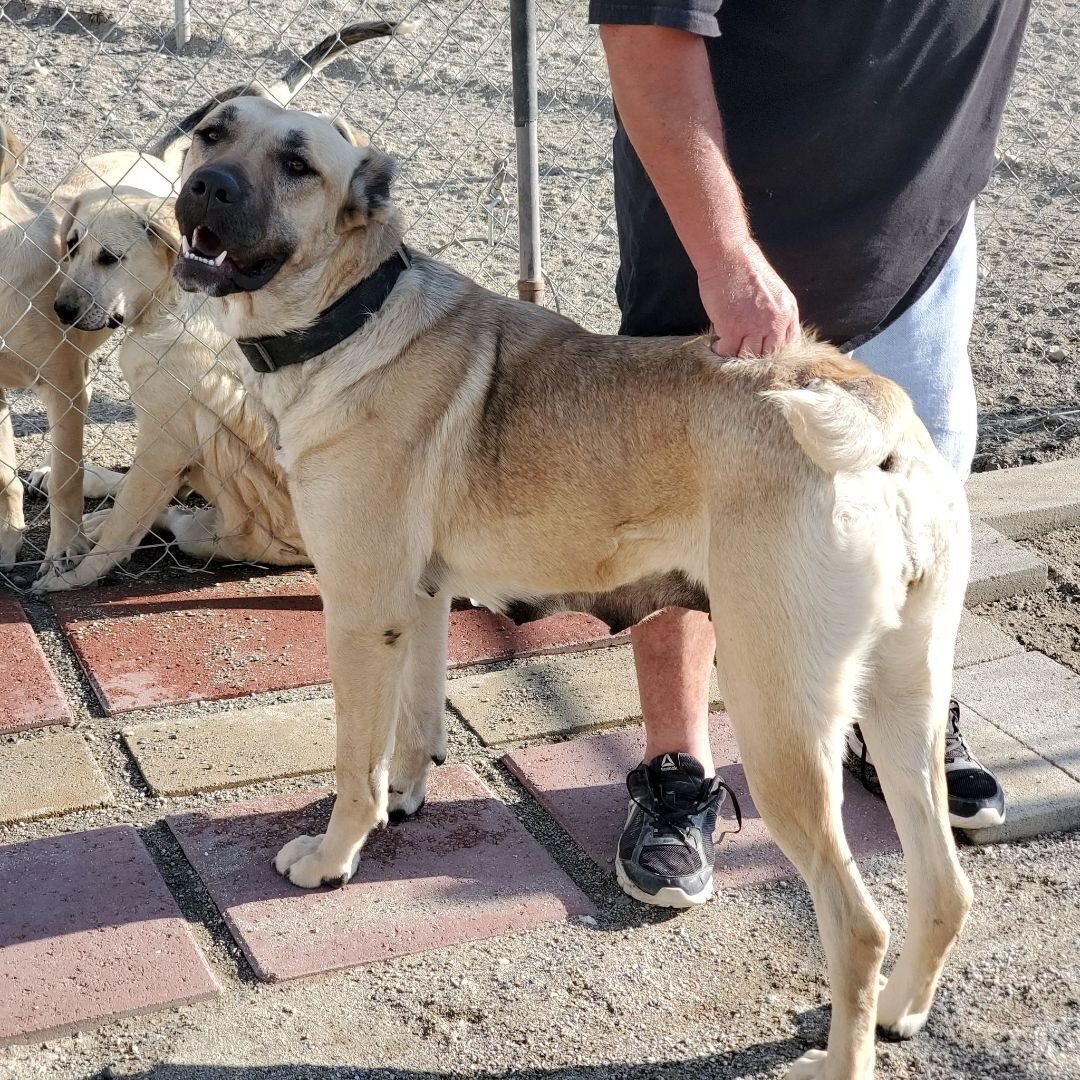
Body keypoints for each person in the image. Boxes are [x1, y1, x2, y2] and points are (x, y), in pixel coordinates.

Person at [589, 0, 1029, 908]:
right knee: (687, 510)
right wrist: (726, 256)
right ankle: (676, 767)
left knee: (917, 498)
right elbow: (644, 29)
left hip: (919, 222)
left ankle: (897, 726)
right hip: (729, 229)